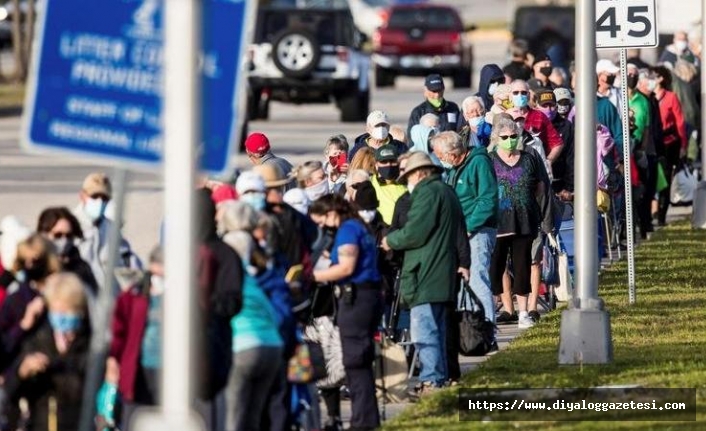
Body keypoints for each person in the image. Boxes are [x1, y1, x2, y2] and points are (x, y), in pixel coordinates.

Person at [382, 152, 465, 395]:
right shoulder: (446, 191)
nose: (406, 181)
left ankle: (431, 379)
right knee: (438, 329)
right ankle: (439, 377)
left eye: (407, 175)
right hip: (442, 271)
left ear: (418, 173)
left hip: (426, 273)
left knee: (425, 330)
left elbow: (415, 232)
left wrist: (391, 240)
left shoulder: (427, 193)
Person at [311, 194, 383, 431]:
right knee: (358, 361)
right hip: (365, 297)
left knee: (355, 361)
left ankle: (363, 422)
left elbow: (346, 267)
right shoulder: (355, 226)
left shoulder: (348, 230)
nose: (322, 227)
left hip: (357, 299)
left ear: (332, 213)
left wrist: (312, 277)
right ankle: (365, 419)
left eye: (322, 221)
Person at [219, 201, 285, 431]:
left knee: (233, 417)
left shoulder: (230, 279)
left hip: (242, 345)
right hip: (272, 345)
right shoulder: (262, 276)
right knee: (254, 417)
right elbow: (278, 311)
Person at [3, 272, 91, 431]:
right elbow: (12, 392)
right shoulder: (38, 338)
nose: (63, 317)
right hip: (41, 422)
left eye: (68, 310)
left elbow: (87, 388)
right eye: (58, 310)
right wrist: (23, 371)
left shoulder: (88, 341)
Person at [432, 131, 498, 338]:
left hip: (477, 231)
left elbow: (487, 199)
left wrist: (468, 227)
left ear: (453, 153)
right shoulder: (455, 168)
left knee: (477, 279)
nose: (439, 159)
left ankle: (487, 330)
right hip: (460, 233)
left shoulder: (479, 163)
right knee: (462, 282)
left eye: (440, 155)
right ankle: (470, 330)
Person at [488, 116, 549, 329]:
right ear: (497, 138)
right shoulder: (490, 159)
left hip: (525, 221)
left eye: (514, 136)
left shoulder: (529, 158)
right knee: (496, 266)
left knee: (523, 265)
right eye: (505, 137)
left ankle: (523, 312)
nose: (510, 140)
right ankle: (494, 310)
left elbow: (540, 186)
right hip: (499, 223)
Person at [105, 246, 165, 431]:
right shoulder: (134, 295)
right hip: (138, 371)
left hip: (169, 372)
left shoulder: (184, 296)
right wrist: (113, 359)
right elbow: (118, 330)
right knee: (135, 420)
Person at [72, 173, 141, 296]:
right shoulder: (71, 227)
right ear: (82, 196)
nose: (99, 201)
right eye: (95, 196)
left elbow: (126, 258)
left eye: (104, 198)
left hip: (110, 300)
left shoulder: (111, 227)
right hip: (83, 300)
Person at [651, 65, 688, 226]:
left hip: (668, 143)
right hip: (651, 143)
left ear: (661, 79)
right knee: (651, 178)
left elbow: (680, 122)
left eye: (655, 75)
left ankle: (661, 216)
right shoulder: (648, 96)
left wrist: (683, 145)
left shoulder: (671, 97)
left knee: (665, 179)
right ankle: (651, 211)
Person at [36, 207, 98, 294]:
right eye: (58, 235)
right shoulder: (33, 266)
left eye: (69, 236)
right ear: (43, 234)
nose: (64, 241)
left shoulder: (81, 270)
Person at [510, 80, 564, 167]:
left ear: (528, 96)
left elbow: (557, 143)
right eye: (515, 93)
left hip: (535, 169)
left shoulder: (539, 116)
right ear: (510, 96)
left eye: (523, 92)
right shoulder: (504, 117)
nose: (519, 95)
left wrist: (548, 161)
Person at [406, 74, 461, 138]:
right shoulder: (418, 112)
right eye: (433, 91)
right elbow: (412, 138)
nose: (437, 95)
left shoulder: (453, 108)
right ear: (425, 91)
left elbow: (460, 131)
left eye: (439, 90)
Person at [370, 145, 406, 226]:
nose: (389, 164)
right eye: (384, 162)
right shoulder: (368, 184)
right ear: (376, 164)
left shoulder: (407, 183)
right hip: (380, 233)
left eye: (392, 161)